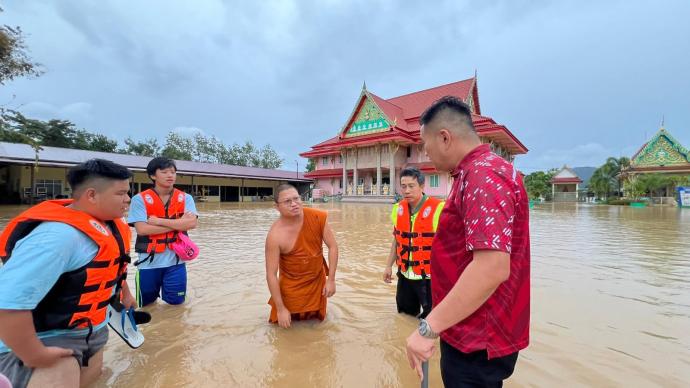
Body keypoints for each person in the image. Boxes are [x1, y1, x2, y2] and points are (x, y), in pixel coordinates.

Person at [405, 96, 531, 387]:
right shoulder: (473, 174)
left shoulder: (483, 176)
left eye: (426, 145)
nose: (425, 153)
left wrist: (427, 328)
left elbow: (491, 267)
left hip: (477, 337)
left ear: (445, 137)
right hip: (468, 328)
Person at [0, 159, 136, 388]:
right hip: (46, 338)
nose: (128, 199)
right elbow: (8, 303)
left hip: (91, 330)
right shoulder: (57, 237)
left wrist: (125, 293)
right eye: (121, 193)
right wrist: (34, 354)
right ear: (91, 195)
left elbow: (111, 268)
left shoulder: (110, 225)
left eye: (128, 192)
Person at [265, 184, 339, 328]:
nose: (294, 204)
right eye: (287, 201)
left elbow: (333, 246)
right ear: (276, 207)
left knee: (318, 327)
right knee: (285, 331)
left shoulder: (317, 217)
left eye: (296, 198)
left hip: (317, 283)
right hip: (291, 290)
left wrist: (331, 279)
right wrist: (280, 308)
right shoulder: (275, 236)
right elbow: (271, 275)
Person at [129, 157, 198, 307]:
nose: (170, 175)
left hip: (176, 262)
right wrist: (179, 224)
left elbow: (192, 223)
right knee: (146, 306)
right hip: (148, 263)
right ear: (153, 175)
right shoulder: (139, 199)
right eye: (164, 172)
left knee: (177, 305)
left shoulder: (186, 198)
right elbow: (142, 229)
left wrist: (159, 221)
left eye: (173, 172)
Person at [383, 167, 444, 319]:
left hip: (429, 278)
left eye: (411, 186)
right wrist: (388, 266)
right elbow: (397, 239)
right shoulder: (398, 209)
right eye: (403, 186)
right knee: (404, 317)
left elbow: (448, 245)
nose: (407, 191)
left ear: (422, 186)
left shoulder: (439, 208)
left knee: (431, 321)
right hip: (404, 276)